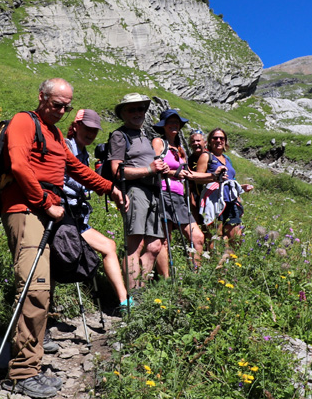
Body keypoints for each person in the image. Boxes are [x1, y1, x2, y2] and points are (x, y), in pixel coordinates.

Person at [0, 79, 125, 399]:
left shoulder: (54, 134)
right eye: (57, 104)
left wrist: (109, 188)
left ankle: (35, 350)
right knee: (34, 287)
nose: (62, 111)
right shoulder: (23, 122)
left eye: (67, 107)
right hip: (27, 209)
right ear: (41, 97)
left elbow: (76, 169)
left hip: (46, 212)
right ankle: (22, 373)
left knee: (44, 284)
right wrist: (44, 201)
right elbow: (18, 164)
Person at [63, 108, 132, 316]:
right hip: (64, 214)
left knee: (109, 246)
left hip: (77, 216)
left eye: (94, 130)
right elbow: (68, 180)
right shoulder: (66, 147)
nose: (91, 133)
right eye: (87, 128)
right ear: (76, 126)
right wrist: (94, 184)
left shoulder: (83, 152)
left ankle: (125, 302)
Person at [108, 93, 166, 289]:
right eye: (131, 109)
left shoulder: (144, 136)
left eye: (140, 109)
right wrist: (149, 170)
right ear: (123, 113)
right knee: (135, 245)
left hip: (153, 192)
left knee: (154, 246)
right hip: (136, 191)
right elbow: (116, 170)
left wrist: (160, 169)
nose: (137, 113)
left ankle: (143, 290)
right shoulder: (119, 135)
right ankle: (133, 297)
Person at [151, 109, 205, 272]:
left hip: (179, 197)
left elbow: (188, 174)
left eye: (177, 122)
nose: (174, 124)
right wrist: (174, 173)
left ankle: (194, 275)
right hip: (163, 193)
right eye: (170, 121)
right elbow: (156, 166)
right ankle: (166, 281)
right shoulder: (159, 142)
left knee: (198, 237)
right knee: (165, 240)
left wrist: (213, 176)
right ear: (164, 125)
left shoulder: (180, 149)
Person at [200, 128, 255, 258]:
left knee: (235, 236)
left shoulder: (227, 158)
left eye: (221, 138)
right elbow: (198, 178)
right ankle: (215, 265)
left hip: (231, 201)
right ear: (209, 141)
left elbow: (230, 180)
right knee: (215, 235)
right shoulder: (206, 156)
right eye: (215, 138)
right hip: (215, 202)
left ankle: (228, 262)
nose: (218, 140)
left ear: (225, 142)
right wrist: (214, 176)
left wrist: (241, 188)